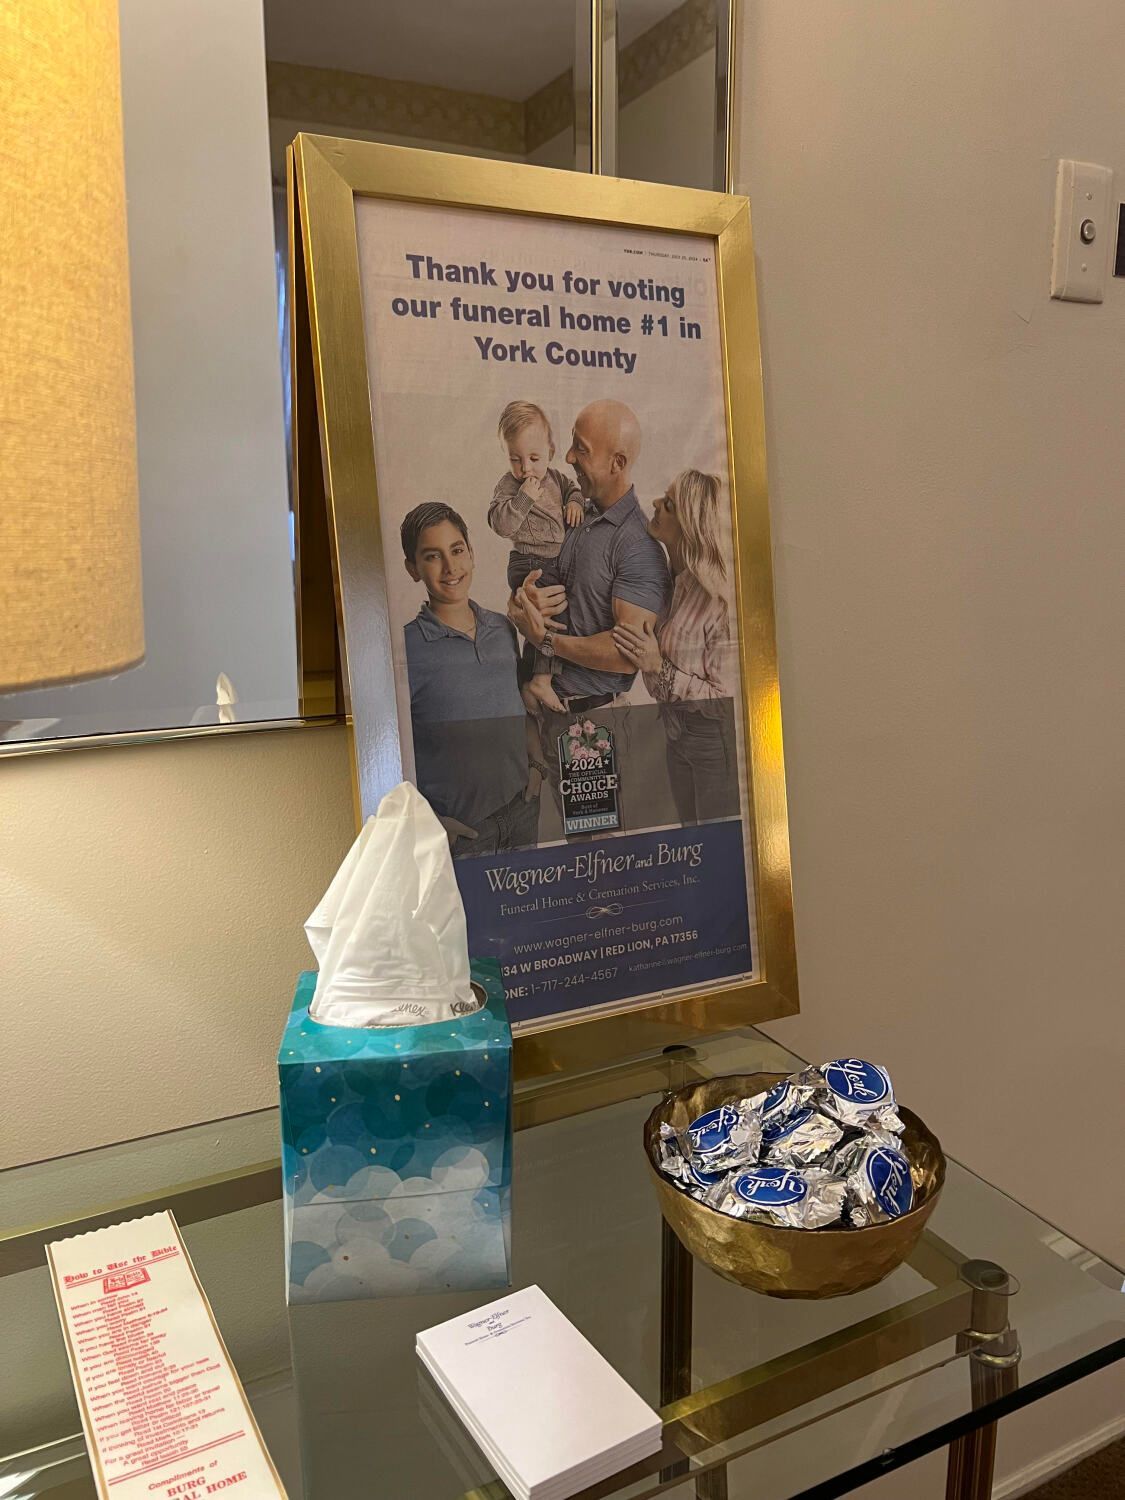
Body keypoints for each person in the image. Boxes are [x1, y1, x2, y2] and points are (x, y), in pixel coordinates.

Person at [508, 399, 671, 822]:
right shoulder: (574, 515)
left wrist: (543, 638)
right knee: (539, 848)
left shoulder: (637, 548)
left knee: (593, 854)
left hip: (588, 727)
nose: (567, 458)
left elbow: (624, 652)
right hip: (541, 715)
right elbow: (539, 583)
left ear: (617, 462)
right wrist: (522, 602)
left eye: (580, 448)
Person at [400, 501, 539, 857]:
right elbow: (393, 751)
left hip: (521, 811)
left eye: (457, 550)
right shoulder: (404, 649)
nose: (450, 567)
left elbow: (521, 706)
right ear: (412, 569)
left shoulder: (503, 629)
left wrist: (537, 768)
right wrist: (430, 820)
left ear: (472, 553)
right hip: (462, 835)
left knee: (529, 911)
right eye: (432, 556)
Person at [612, 469, 739, 825]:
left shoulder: (720, 601)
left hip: (711, 743)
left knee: (716, 852)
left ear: (689, 524)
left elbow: (724, 698)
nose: (655, 504)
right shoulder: (666, 584)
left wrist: (658, 668)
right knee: (692, 842)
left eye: (668, 504)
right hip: (674, 735)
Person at [487, 400, 584, 798]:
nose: (526, 468)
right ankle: (542, 680)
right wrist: (524, 494)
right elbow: (499, 522)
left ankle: (533, 681)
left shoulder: (559, 478)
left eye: (534, 458)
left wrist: (575, 502)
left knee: (556, 619)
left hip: (556, 564)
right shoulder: (510, 488)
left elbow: (575, 488)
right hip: (526, 562)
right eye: (515, 459)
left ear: (551, 450)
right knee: (542, 617)